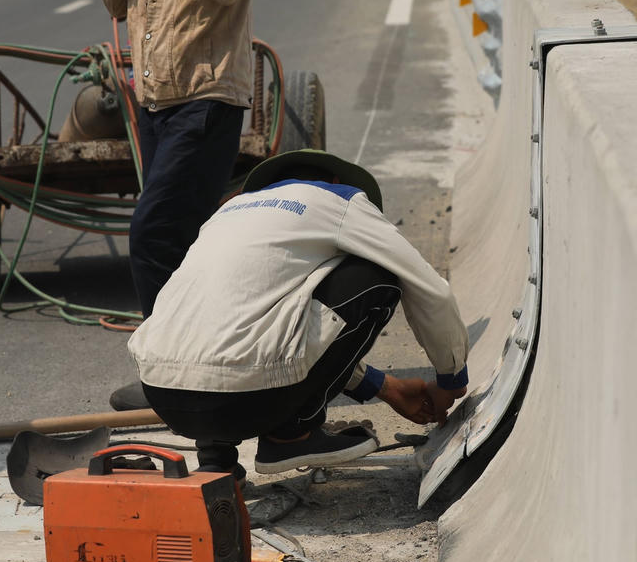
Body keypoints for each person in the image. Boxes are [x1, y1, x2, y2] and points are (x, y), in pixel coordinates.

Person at [126, 150, 471, 477]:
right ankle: (291, 437)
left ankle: (217, 459)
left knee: (236, 309)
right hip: (245, 398)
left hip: (164, 395)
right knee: (379, 277)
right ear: (335, 180)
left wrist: (385, 387)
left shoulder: (229, 212)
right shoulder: (340, 200)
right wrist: (450, 380)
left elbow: (278, 326)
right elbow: (430, 288)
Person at [91, 0, 260, 329]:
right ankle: (201, 355)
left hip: (207, 102)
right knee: (184, 237)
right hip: (156, 104)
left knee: (152, 232)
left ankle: (165, 362)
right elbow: (115, 2)